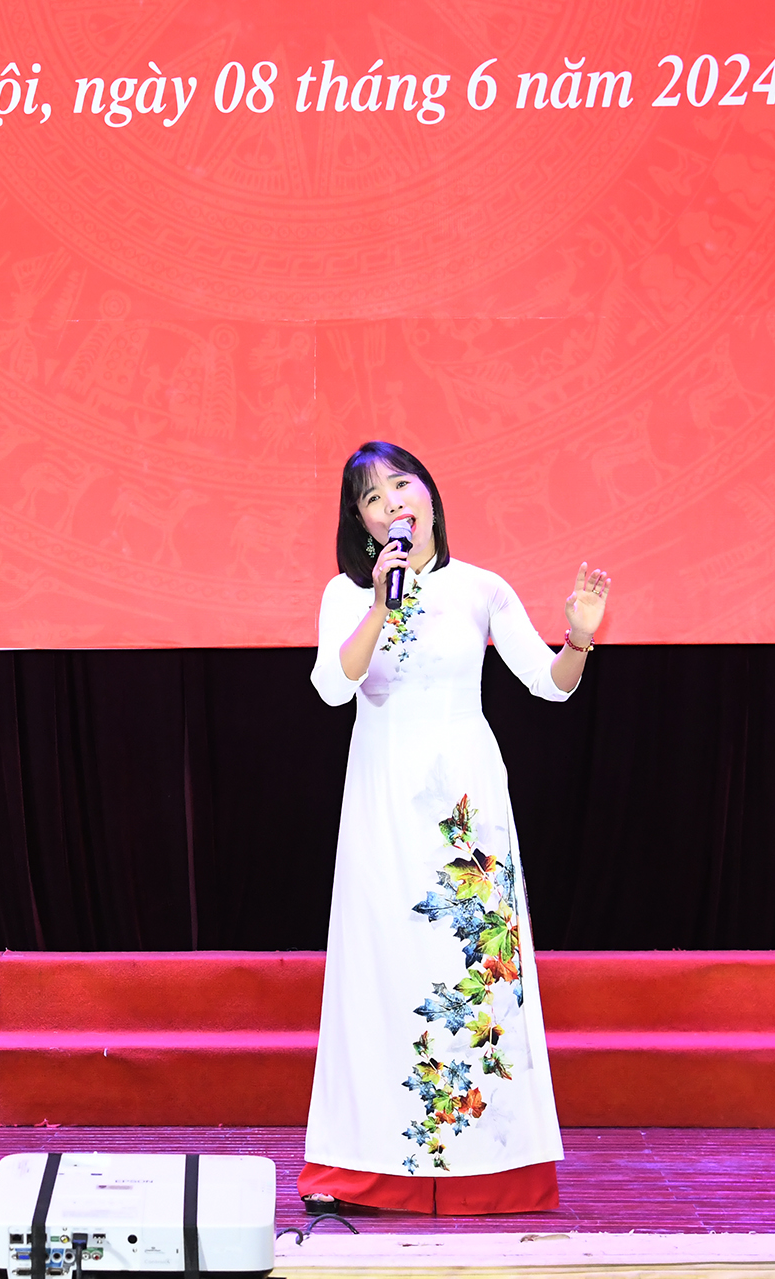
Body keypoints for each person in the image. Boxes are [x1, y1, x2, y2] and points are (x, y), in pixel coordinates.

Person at [301, 441, 612, 1215]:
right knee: (380, 974)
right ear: (364, 524)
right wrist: (382, 604)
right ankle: (365, 1168)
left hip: (465, 811)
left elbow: (551, 685)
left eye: (401, 485)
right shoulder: (348, 593)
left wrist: (578, 637)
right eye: (372, 498)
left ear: (430, 495)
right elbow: (334, 686)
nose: (392, 504)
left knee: (476, 977)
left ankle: (492, 1169)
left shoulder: (481, 588)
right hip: (382, 802)